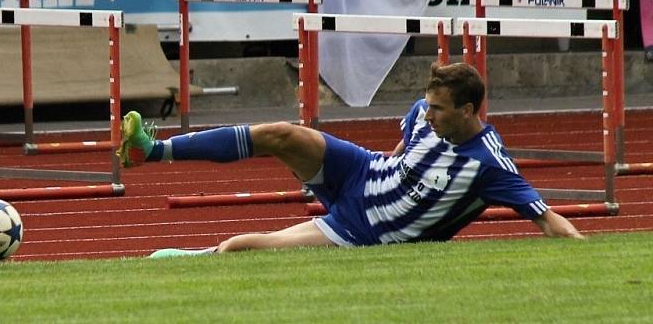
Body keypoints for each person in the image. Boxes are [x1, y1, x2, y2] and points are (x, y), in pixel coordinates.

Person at [119, 62, 585, 257]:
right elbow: (407, 140)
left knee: (245, 247)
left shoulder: (488, 164)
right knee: (280, 133)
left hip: (363, 229)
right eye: (428, 103)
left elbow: (547, 220)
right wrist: (398, 156)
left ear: (468, 111)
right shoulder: (426, 112)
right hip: (362, 171)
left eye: (439, 108)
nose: (428, 112)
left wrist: (586, 252)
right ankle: (153, 150)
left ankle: (201, 257)